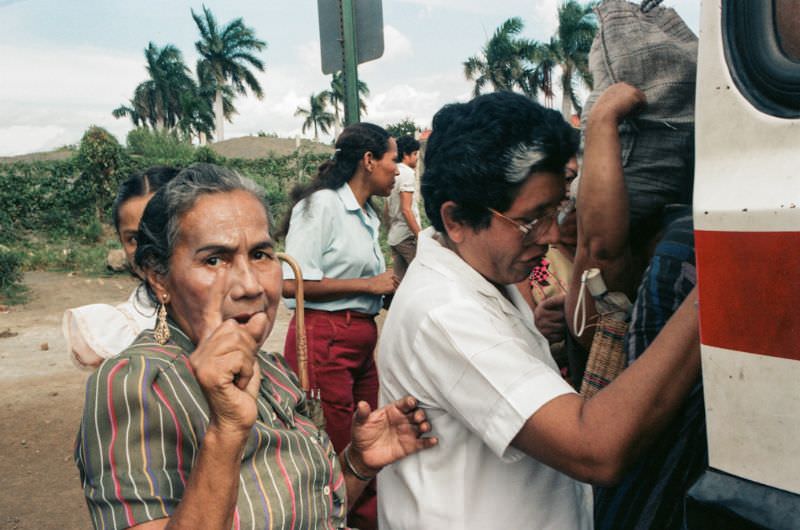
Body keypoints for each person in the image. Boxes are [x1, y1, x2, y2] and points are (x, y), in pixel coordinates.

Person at [376, 91, 700, 529]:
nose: (549, 235)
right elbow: (594, 448)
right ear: (456, 220)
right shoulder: (443, 312)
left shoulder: (482, 273)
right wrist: (710, 295)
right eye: (531, 220)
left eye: (556, 209)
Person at [75, 163, 437, 530]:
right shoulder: (138, 381)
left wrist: (358, 462)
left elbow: (299, 510)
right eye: (214, 259)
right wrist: (227, 431)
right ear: (158, 277)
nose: (250, 285)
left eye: (261, 255)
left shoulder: (274, 371)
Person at [279, 123, 399, 529]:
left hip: (359, 340)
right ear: (369, 161)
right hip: (325, 338)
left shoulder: (368, 213)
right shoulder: (323, 206)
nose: (397, 170)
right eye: (393, 159)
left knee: (366, 438)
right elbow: (291, 283)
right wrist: (368, 285)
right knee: (335, 445)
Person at [62, 166, 179, 369]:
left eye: (161, 232)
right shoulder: (119, 332)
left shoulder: (239, 304)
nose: (148, 249)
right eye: (134, 238)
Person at [386, 135, 422, 281]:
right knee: (422, 276)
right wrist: (421, 236)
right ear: (406, 155)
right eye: (414, 154)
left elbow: (387, 210)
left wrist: (389, 231)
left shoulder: (393, 173)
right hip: (407, 237)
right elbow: (406, 209)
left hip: (395, 237)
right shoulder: (406, 173)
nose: (417, 158)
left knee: (399, 280)